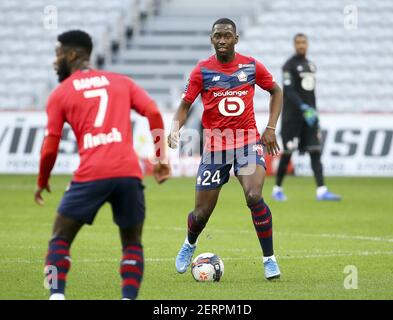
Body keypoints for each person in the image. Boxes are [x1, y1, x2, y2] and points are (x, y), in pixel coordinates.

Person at [34, 30, 170, 300]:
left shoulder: (60, 94)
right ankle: (128, 297)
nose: (54, 61)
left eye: (58, 54)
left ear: (72, 55)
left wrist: (42, 180)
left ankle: (56, 295)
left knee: (59, 239)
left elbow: (50, 145)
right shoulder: (121, 82)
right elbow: (153, 111)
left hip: (91, 173)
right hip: (129, 173)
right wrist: (160, 157)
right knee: (132, 243)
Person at [168, 18, 283, 280]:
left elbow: (276, 91)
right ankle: (189, 243)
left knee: (254, 196)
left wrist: (271, 127)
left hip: (247, 143)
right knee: (201, 214)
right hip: (216, 147)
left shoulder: (251, 66)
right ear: (211, 39)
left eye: (227, 36)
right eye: (217, 36)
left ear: (236, 39)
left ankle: (270, 260)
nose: (222, 40)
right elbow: (185, 104)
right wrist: (175, 127)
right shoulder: (202, 71)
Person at [272, 33, 341, 201]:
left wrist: (314, 113)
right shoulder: (288, 66)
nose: (301, 45)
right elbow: (288, 90)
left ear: (307, 44)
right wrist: (302, 107)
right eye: (298, 43)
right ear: (294, 45)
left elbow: (312, 94)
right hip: (292, 119)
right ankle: (277, 189)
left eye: (304, 42)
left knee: (315, 152)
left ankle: (322, 190)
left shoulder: (311, 66)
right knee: (288, 153)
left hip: (309, 118)